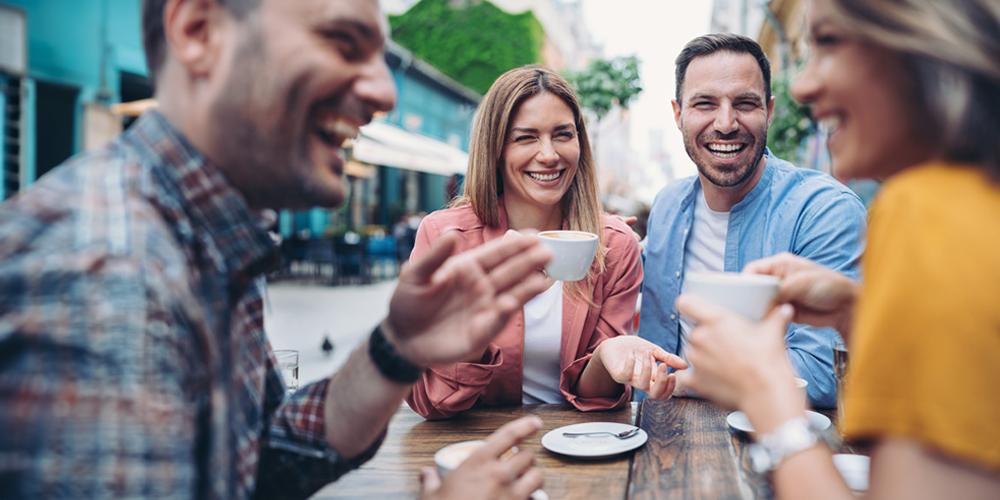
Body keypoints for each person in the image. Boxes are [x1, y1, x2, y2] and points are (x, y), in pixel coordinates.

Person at [0, 0, 554, 498]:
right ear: (198, 32)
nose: (385, 92)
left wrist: (396, 348)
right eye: (342, 42)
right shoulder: (109, 275)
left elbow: (267, 460)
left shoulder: (203, 235)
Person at [676, 0, 1000, 497]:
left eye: (828, 43)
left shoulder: (929, 211)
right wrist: (858, 314)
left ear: (916, 47)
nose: (803, 86)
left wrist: (769, 401)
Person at [406, 66, 687, 420]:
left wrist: (608, 356)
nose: (549, 154)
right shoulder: (445, 239)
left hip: (577, 448)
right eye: (526, 137)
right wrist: (479, 322)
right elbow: (431, 402)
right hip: (475, 450)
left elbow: (596, 400)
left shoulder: (614, 244)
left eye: (562, 135)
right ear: (494, 148)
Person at [637, 33, 866, 407]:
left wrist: (680, 381)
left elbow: (821, 374)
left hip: (774, 440)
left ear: (769, 111)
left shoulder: (824, 210)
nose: (726, 123)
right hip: (660, 439)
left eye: (744, 103)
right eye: (705, 104)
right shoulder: (667, 206)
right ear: (678, 115)